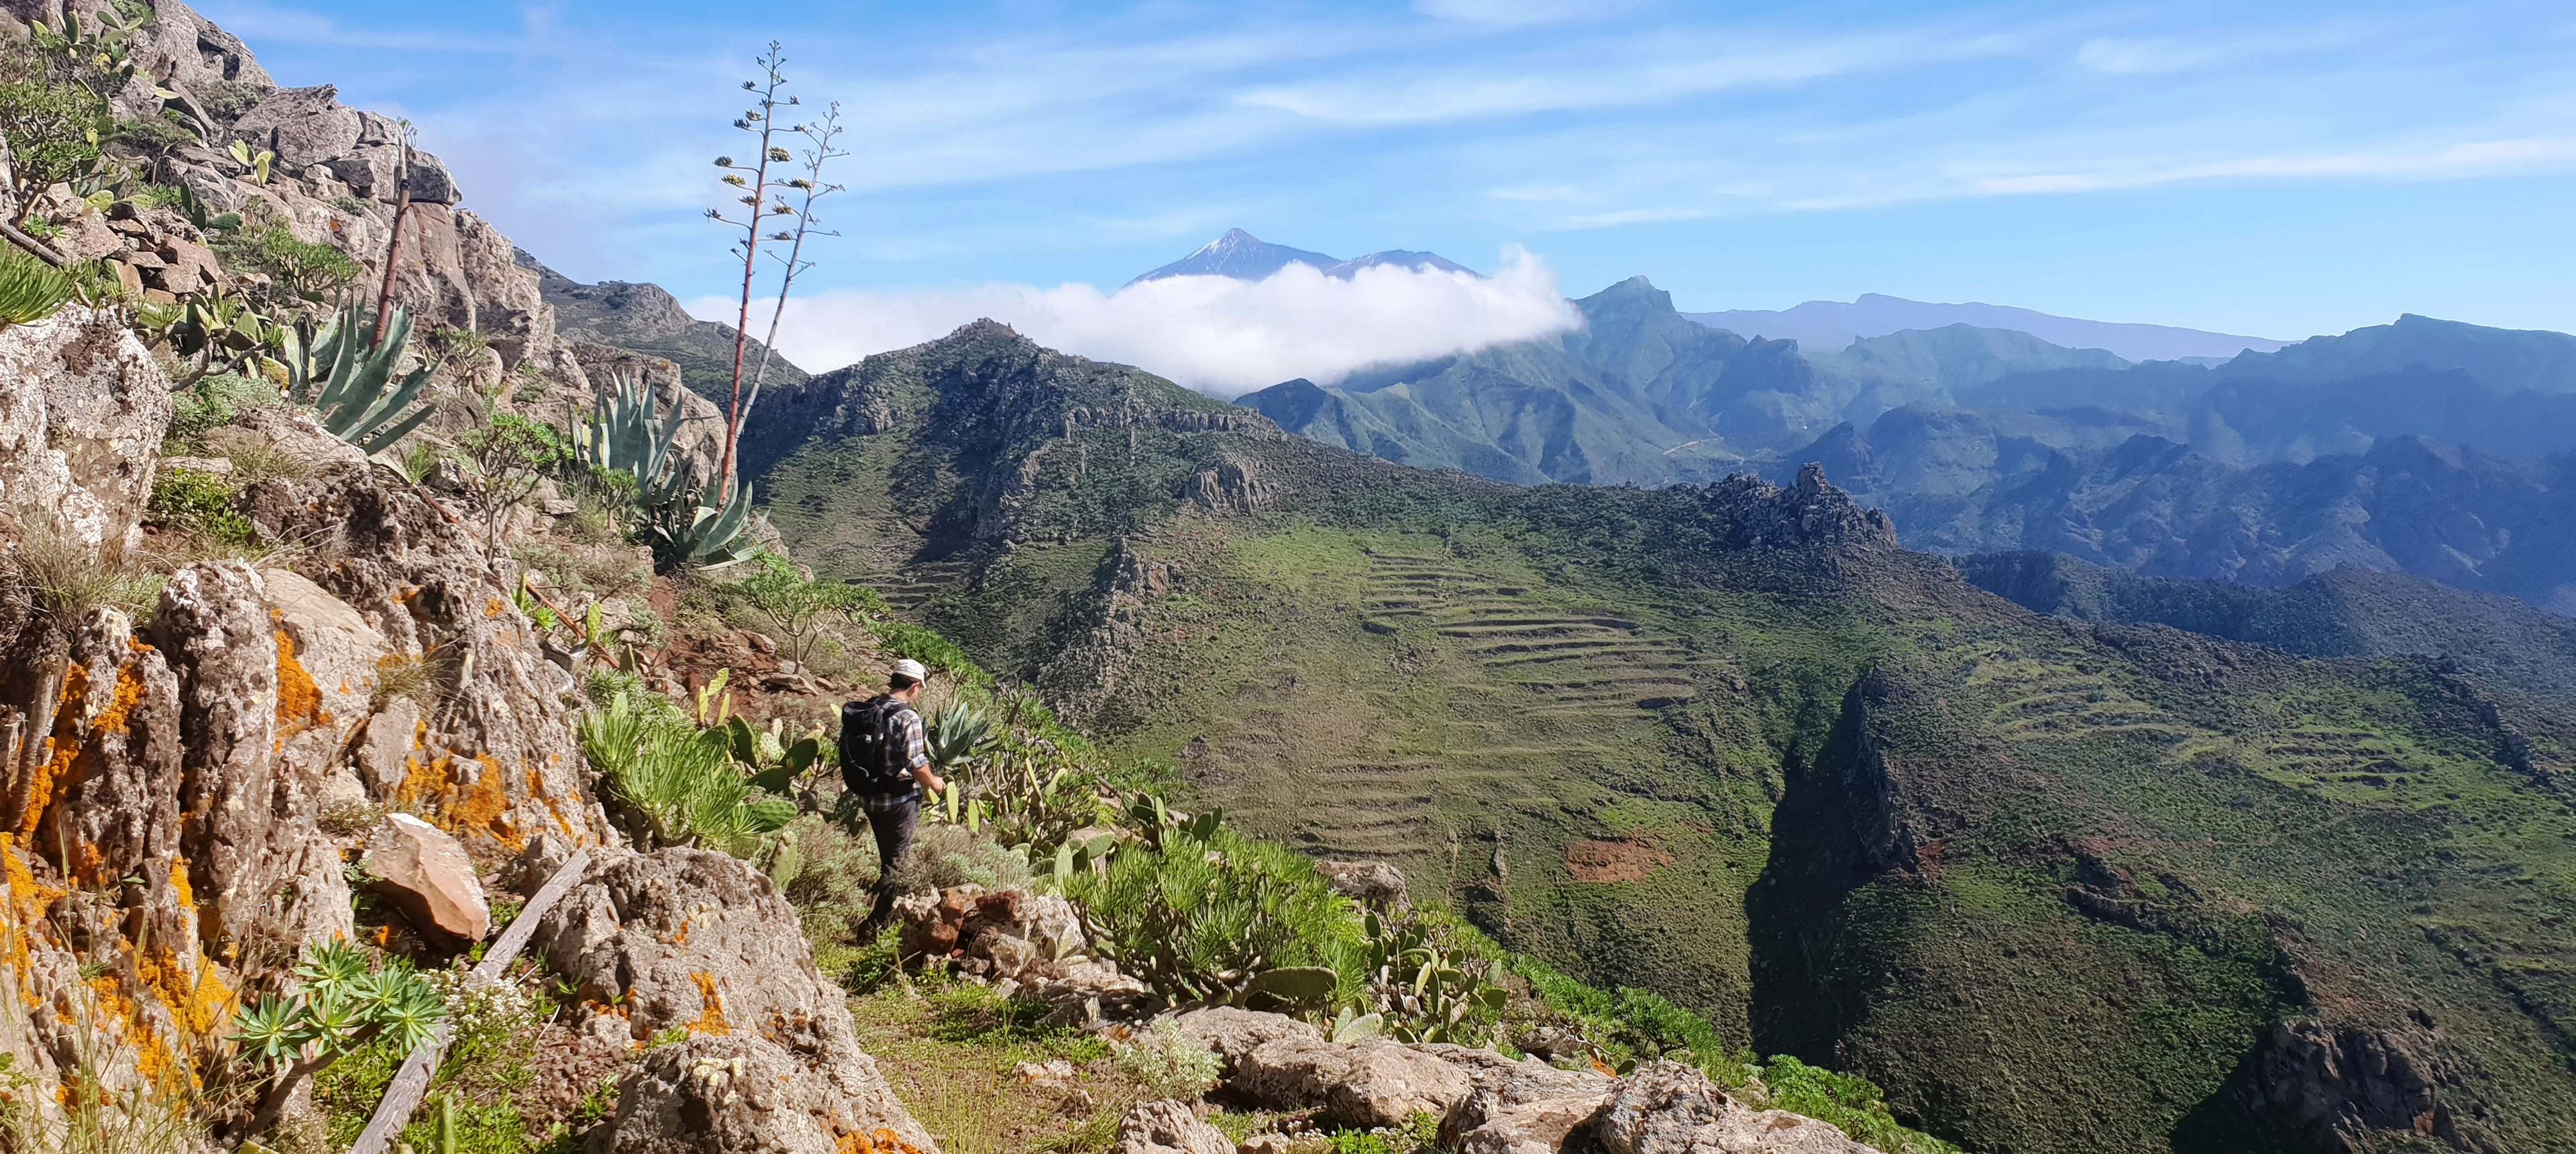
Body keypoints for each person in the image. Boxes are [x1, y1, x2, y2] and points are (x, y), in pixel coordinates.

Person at [843, 658, 947, 937]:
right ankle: (875, 926)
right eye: (920, 687)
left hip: (870, 798)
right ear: (914, 686)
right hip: (898, 803)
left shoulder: (872, 706)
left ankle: (877, 905)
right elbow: (917, 765)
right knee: (897, 864)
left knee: (887, 856)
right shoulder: (907, 717)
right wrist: (936, 783)